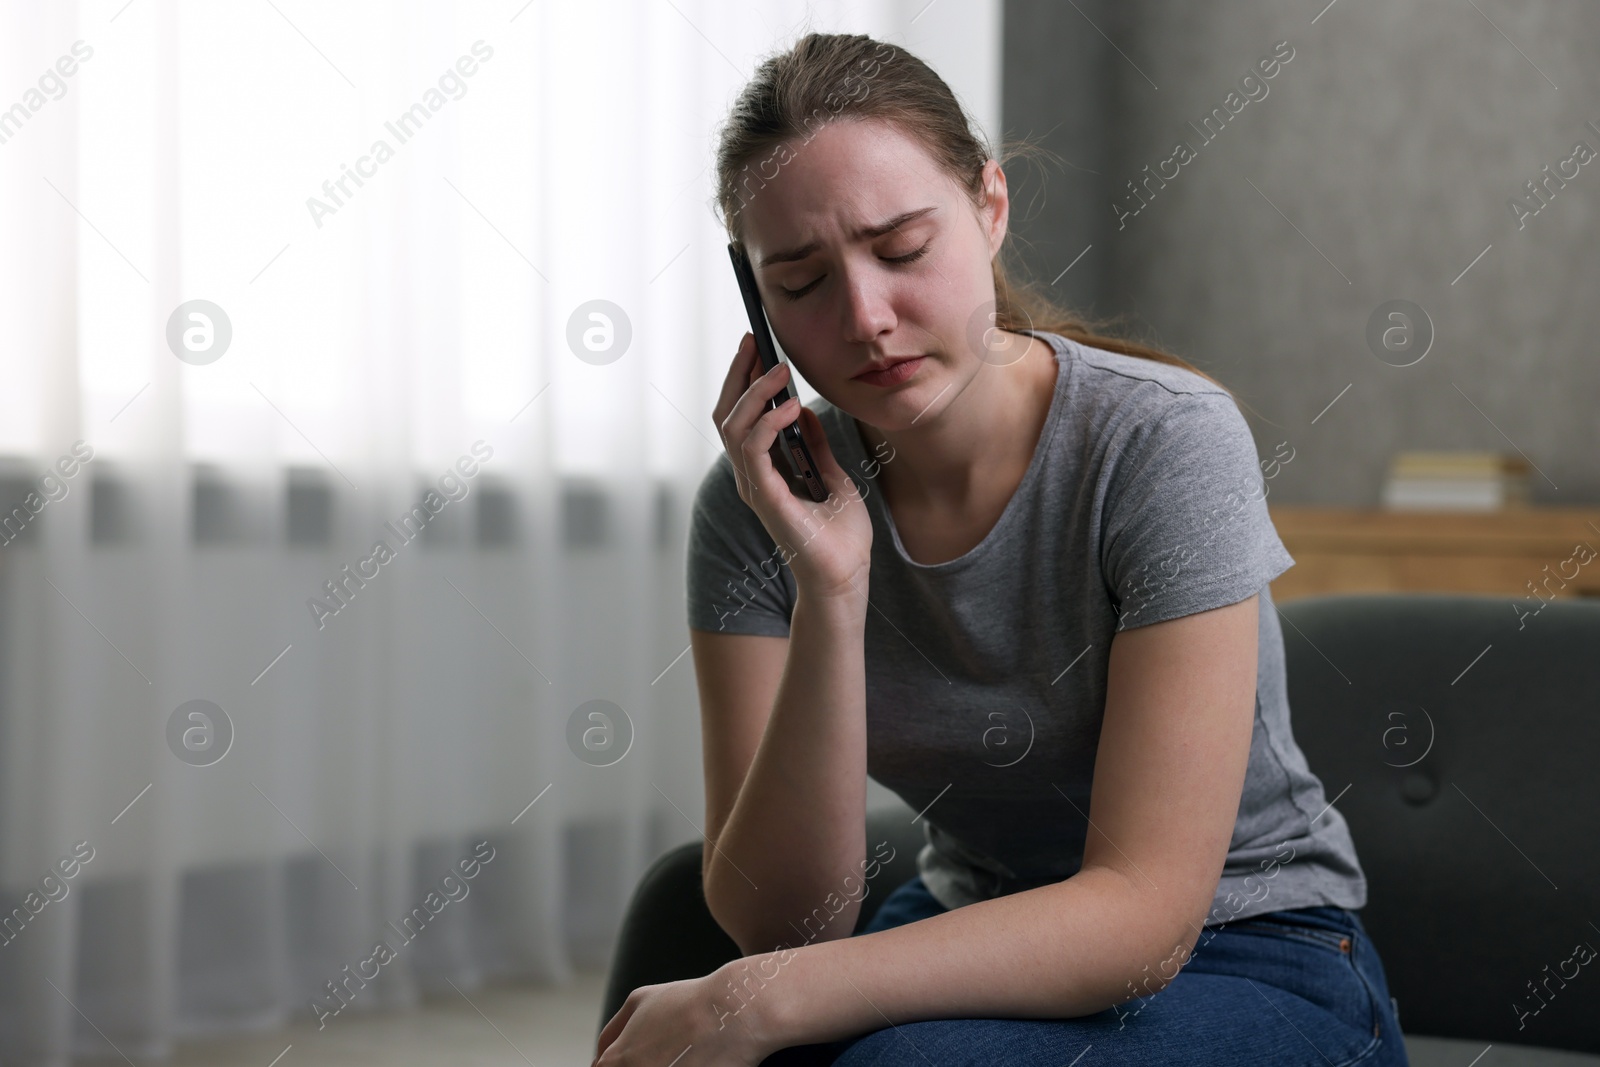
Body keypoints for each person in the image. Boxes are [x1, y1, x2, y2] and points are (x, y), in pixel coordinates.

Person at [593, 31, 1409, 1067]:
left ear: (989, 209)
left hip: (1248, 947)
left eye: (900, 250)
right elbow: (782, 927)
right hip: (968, 924)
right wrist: (830, 588)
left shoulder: (1163, 442)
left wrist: (749, 1000)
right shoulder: (754, 505)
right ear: (754, 300)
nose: (865, 317)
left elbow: (1140, 917)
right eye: (798, 282)